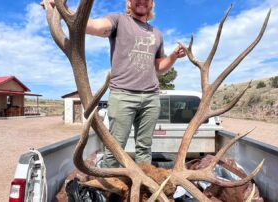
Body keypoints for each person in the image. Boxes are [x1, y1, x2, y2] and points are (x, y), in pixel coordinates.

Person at [42, 0, 185, 168]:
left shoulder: (157, 34)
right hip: (123, 95)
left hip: (151, 98)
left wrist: (173, 56)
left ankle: (143, 188)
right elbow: (93, 26)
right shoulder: (118, 20)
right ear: (129, 2)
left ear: (151, 3)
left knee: (145, 149)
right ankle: (110, 190)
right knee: (115, 148)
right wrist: (63, 8)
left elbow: (159, 68)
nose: (142, 1)